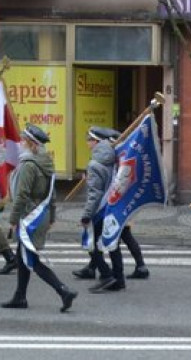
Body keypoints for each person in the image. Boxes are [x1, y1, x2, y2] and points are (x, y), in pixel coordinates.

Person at [1, 124, 76, 312]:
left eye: (22, 141)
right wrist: (51, 216)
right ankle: (20, 296)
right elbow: (51, 195)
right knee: (22, 256)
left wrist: (12, 219)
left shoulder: (28, 165)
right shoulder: (46, 162)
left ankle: (63, 290)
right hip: (40, 215)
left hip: (29, 217)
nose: (19, 144)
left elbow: (22, 195)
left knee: (31, 260)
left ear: (31, 144)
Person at [80, 126, 127, 294]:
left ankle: (106, 275)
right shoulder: (114, 159)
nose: (87, 143)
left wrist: (86, 215)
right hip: (112, 207)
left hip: (99, 209)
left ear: (96, 141)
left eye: (89, 140)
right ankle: (119, 279)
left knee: (91, 244)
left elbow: (94, 194)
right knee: (113, 244)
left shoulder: (94, 164)